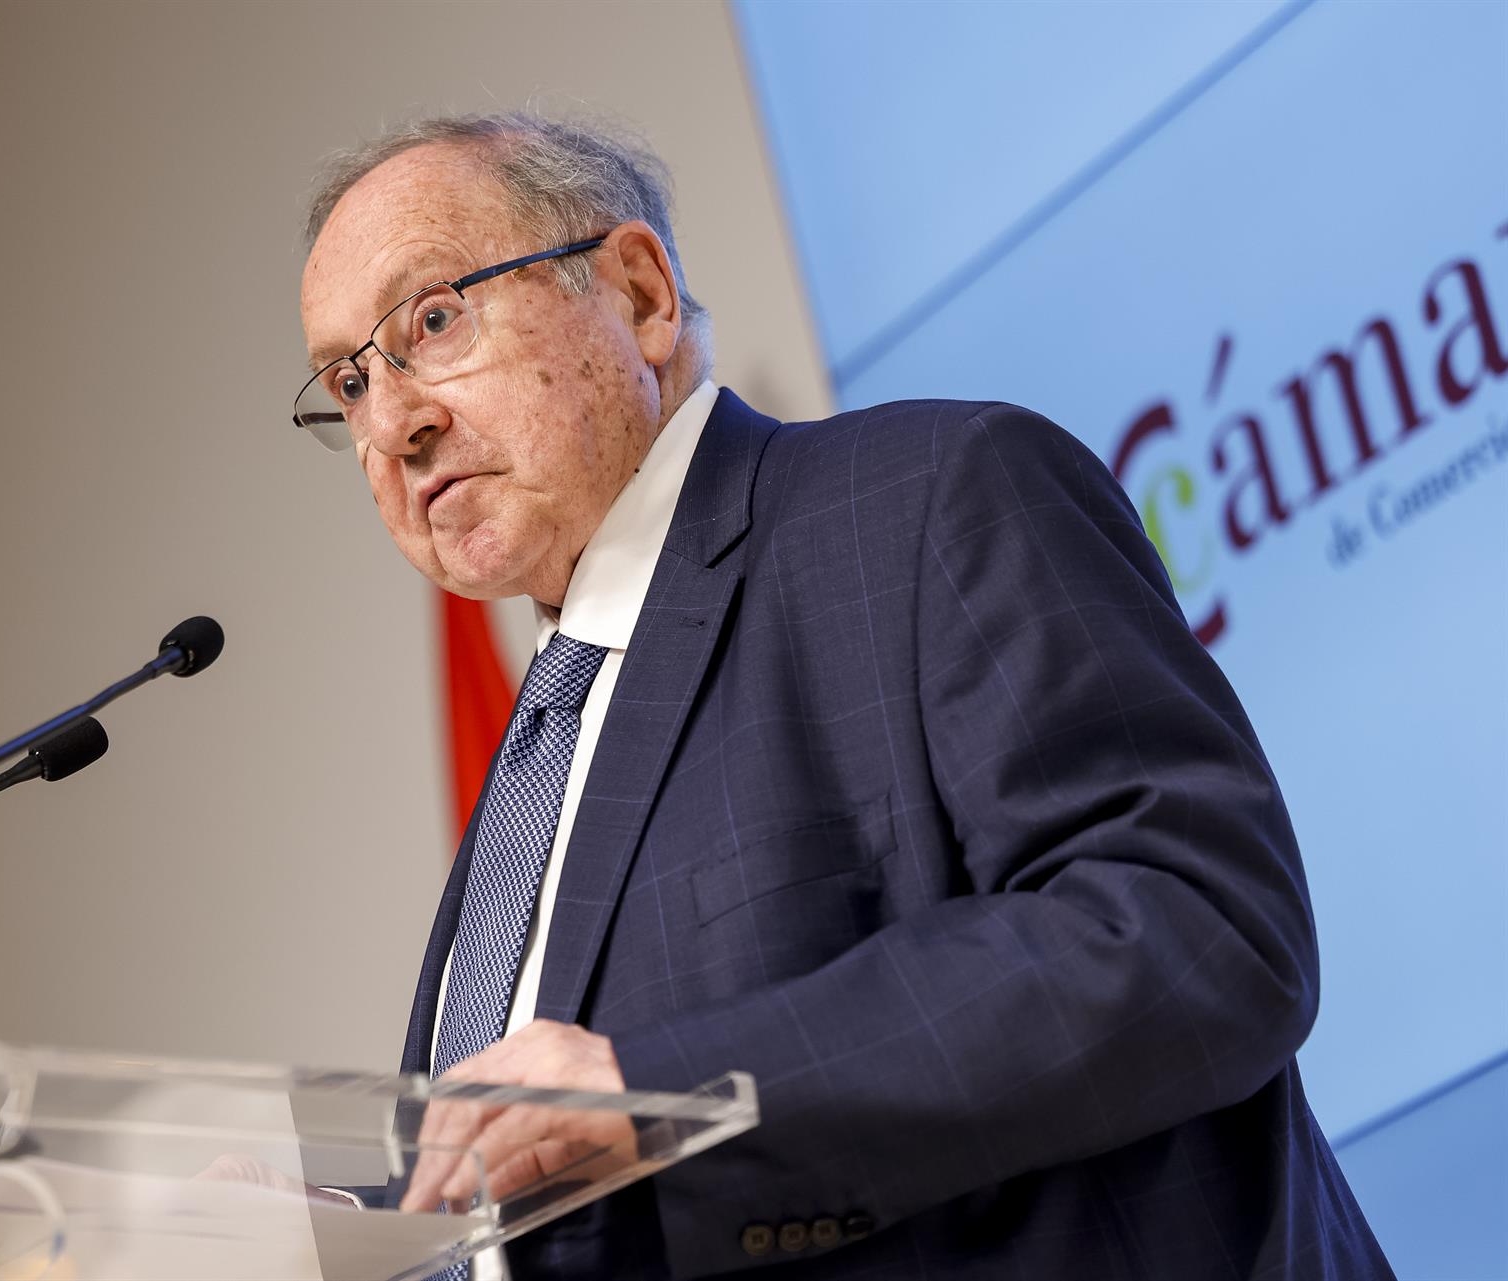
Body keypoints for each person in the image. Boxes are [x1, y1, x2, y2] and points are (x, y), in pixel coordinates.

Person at [293, 112, 1392, 1280]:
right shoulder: (535, 757)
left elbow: (1197, 932)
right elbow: (548, 1175)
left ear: (639, 294)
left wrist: (656, 1093)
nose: (394, 425)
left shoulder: (932, 500)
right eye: (350, 381)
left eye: (435, 319)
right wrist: (347, 1236)